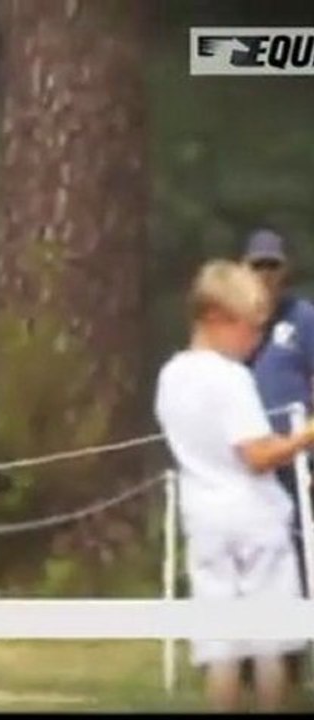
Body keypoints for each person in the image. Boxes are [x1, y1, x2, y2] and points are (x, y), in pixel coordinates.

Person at [154, 259, 312, 712]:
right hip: (253, 519)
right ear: (217, 319)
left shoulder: (171, 376)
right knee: (268, 643)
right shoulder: (231, 378)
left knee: (221, 645)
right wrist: (305, 435)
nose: (256, 340)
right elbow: (257, 455)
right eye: (250, 329)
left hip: (203, 515)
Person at [241, 228, 314, 687]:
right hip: (244, 461)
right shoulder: (235, 323)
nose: (265, 275)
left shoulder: (302, 319)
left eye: (272, 266)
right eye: (257, 266)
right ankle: (245, 653)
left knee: (296, 552)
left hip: (293, 460)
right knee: (248, 554)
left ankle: (292, 652)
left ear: (283, 270)